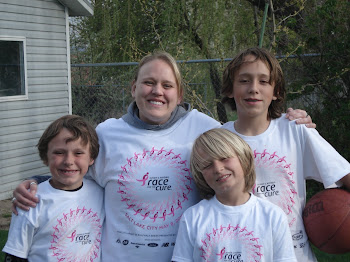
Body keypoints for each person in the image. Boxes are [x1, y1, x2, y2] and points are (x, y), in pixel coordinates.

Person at [10, 51, 313, 262]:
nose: (157, 91)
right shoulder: (107, 134)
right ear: (134, 88)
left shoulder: (203, 127)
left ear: (179, 95)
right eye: (148, 82)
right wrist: (35, 183)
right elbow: (73, 171)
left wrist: (290, 122)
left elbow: (250, 149)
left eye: (167, 85)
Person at [220, 47, 350, 262]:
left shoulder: (295, 130)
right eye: (244, 80)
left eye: (264, 81)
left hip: (294, 254)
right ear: (229, 89)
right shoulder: (218, 139)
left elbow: (343, 173)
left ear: (276, 91)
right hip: (242, 253)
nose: (254, 88)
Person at [172, 128, 297, 262]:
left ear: (244, 159)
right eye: (207, 165)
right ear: (200, 174)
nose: (218, 169)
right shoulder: (192, 218)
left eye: (224, 158)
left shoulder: (273, 216)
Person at [2, 115, 105, 262]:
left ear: (91, 158)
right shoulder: (29, 201)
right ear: (45, 157)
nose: (69, 161)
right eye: (59, 152)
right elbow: (15, 256)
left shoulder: (100, 193)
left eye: (78, 153)